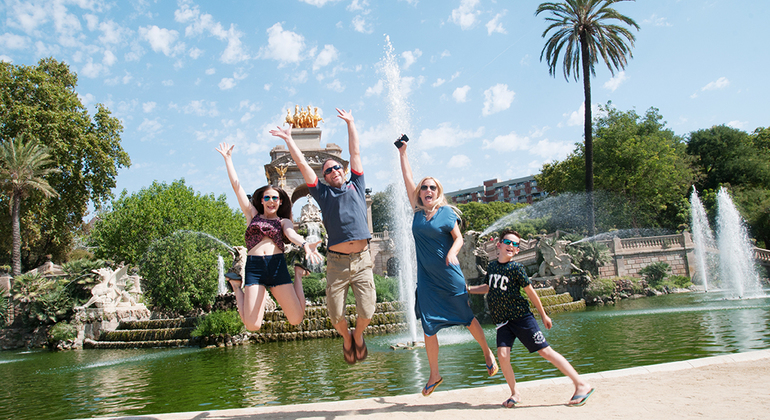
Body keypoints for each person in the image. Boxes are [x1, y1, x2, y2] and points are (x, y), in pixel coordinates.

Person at [270, 108, 375, 365]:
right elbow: (304, 166)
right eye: (328, 170)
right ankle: (346, 337)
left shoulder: (357, 185)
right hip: (337, 262)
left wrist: (351, 122)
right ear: (325, 177)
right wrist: (288, 140)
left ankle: (357, 335)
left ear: (344, 170)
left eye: (337, 167)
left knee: (369, 310)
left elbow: (356, 152)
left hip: (362, 260)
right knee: (336, 315)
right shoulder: (324, 195)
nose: (334, 171)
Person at [396, 139, 498, 397]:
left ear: (437, 191)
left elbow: (459, 238)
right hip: (428, 280)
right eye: (424, 187)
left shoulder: (446, 213)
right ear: (420, 192)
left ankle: (487, 352)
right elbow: (407, 177)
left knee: (466, 317)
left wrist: (452, 253)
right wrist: (403, 153)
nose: (427, 190)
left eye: (432, 187)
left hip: (449, 275)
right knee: (428, 325)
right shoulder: (417, 211)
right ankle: (434, 374)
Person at [469, 229, 594, 408]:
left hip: (521, 318)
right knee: (502, 356)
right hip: (503, 321)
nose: (511, 246)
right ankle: (515, 393)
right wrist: (469, 289)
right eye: (508, 242)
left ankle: (581, 385)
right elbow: (489, 287)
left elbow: (531, 292)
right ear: (499, 244)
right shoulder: (493, 266)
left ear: (518, 250)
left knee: (545, 351)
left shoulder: (516, 268)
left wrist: (543, 315)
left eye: (515, 244)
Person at [215, 142, 322, 331]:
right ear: (261, 200)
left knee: (296, 319)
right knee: (252, 325)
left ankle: (298, 273)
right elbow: (236, 187)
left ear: (280, 202)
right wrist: (228, 159)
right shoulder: (252, 216)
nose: (271, 201)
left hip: (277, 266)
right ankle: (235, 285)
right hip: (255, 267)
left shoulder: (282, 221)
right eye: (267, 198)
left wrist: (305, 243)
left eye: (275, 198)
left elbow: (291, 234)